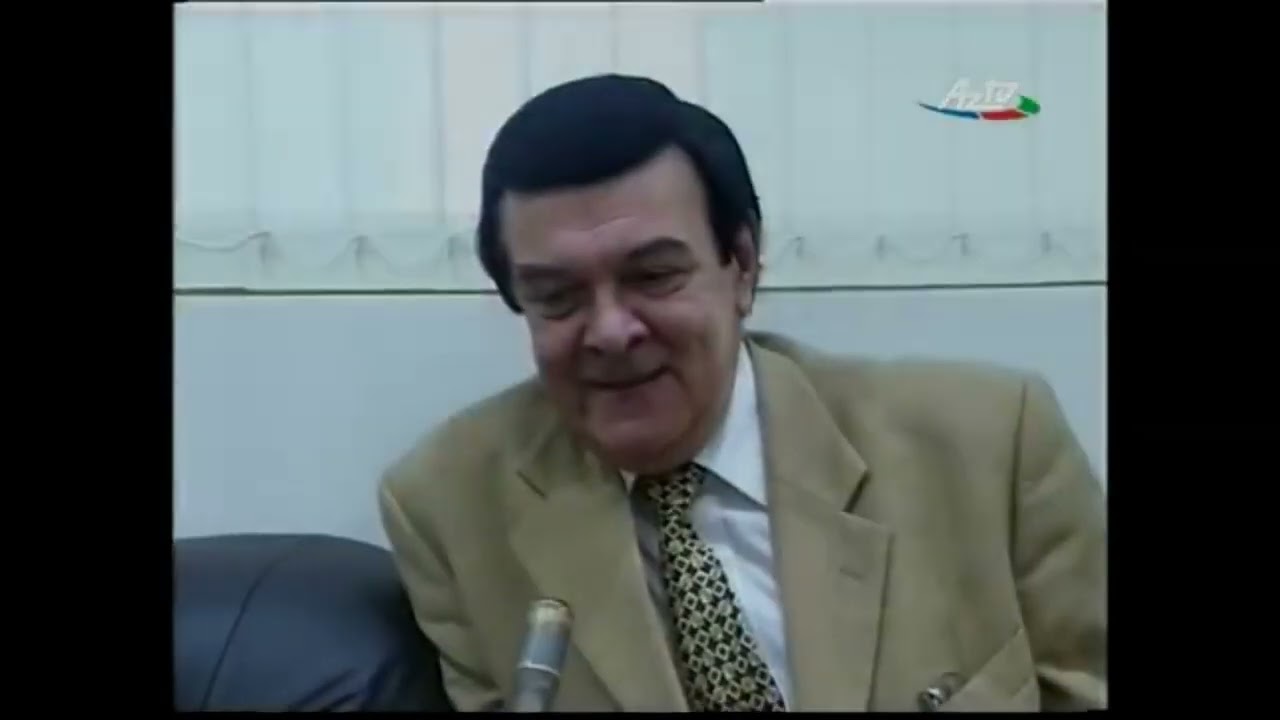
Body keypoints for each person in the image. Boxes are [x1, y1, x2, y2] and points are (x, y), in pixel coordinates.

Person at [378, 74, 1106, 712]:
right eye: (558, 297)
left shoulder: (992, 448)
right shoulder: (449, 509)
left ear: (744, 266)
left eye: (653, 276)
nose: (610, 331)